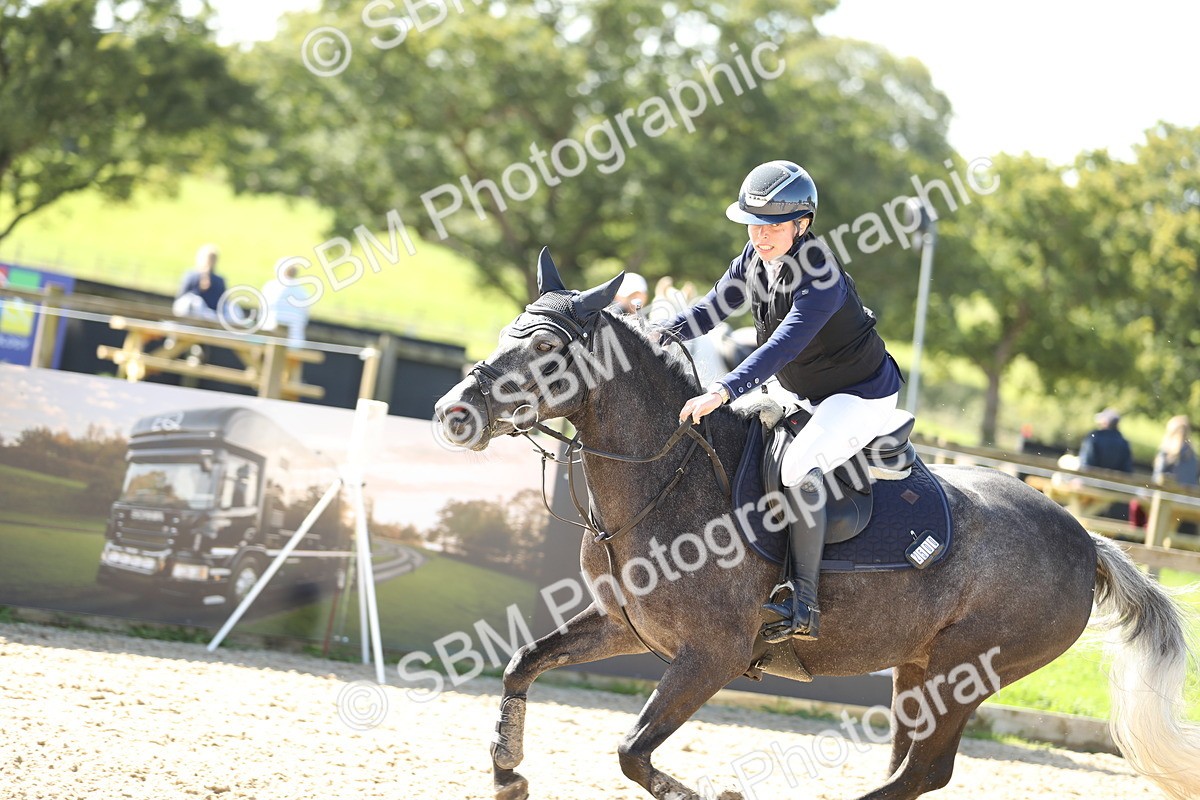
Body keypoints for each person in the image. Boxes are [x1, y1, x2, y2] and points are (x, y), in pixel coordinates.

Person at [659, 160, 902, 643]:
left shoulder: (822, 276)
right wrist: (652, 335)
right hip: (797, 388)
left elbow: (780, 347)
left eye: (771, 225)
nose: (759, 234)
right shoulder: (752, 259)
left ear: (801, 224)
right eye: (752, 223)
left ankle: (804, 602)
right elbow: (709, 310)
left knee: (797, 469)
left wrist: (723, 389)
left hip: (856, 395)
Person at [261, 259, 311, 348]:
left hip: (268, 338)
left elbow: (262, 314)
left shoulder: (270, 286)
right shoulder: (303, 292)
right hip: (295, 342)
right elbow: (304, 319)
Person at [173, 244, 226, 321]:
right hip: (207, 319)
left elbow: (180, 298)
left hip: (193, 318)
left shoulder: (191, 276)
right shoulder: (219, 280)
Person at [1078, 408, 1134, 474]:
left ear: (1105, 422)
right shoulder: (1123, 442)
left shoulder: (1094, 437)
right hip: (1113, 482)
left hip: (1092, 479)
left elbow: (1086, 463)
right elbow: (1127, 470)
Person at [1153, 415, 1198, 487]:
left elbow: (1156, 478)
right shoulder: (1192, 456)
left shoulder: (1166, 453)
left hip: (1169, 494)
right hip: (1189, 495)